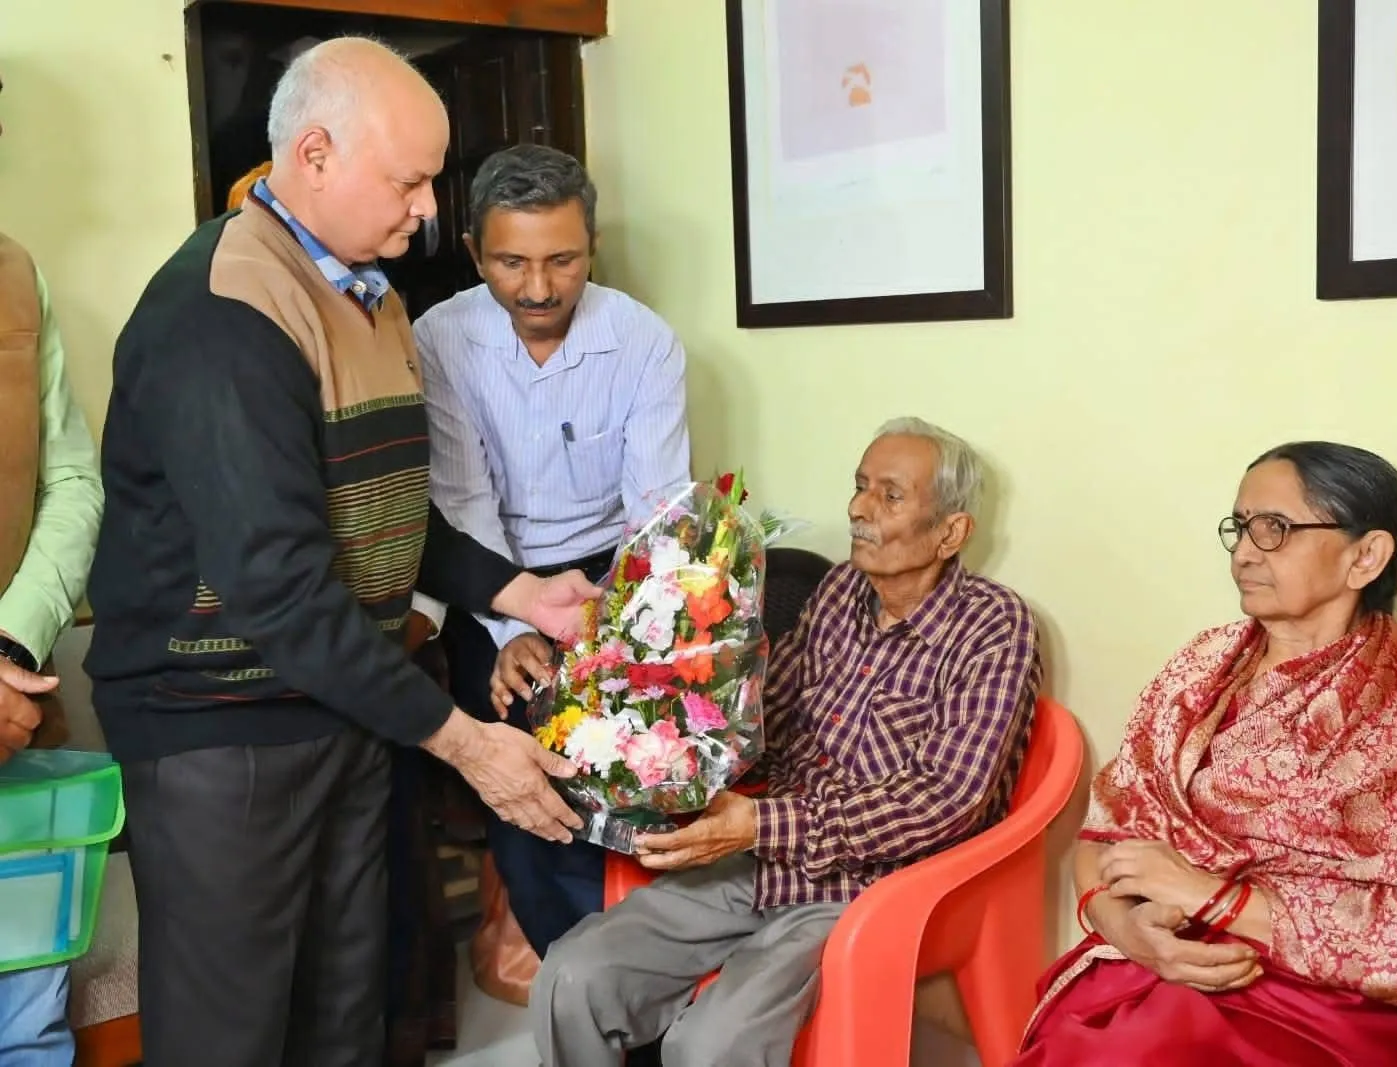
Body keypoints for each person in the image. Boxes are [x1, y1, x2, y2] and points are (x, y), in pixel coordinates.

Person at [83, 39, 600, 1067]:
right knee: (231, 1027)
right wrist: (461, 739)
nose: (425, 209)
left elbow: (386, 510)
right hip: (219, 728)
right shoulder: (222, 310)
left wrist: (518, 589)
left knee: (346, 1006)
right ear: (313, 153)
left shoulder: (370, 295)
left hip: (343, 705)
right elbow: (276, 584)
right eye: (407, 181)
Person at [527, 417, 1041, 1067]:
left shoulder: (995, 626)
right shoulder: (839, 592)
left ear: (951, 531)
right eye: (859, 486)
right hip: (764, 852)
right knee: (573, 976)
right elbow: (765, 718)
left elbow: (945, 798)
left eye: (889, 494)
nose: (858, 507)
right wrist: (652, 729)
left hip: (876, 886)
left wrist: (759, 824)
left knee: (709, 1044)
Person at [1014, 442, 1397, 1067]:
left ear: (1366, 556)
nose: (1245, 553)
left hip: (1331, 1004)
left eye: (1275, 529)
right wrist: (1124, 929)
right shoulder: (1203, 664)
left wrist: (1216, 899)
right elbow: (1107, 829)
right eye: (1240, 528)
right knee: (1093, 1038)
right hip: (1159, 958)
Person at [411, 143, 690, 955]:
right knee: (524, 790)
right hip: (485, 577)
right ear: (474, 253)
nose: (538, 288)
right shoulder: (441, 339)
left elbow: (656, 512)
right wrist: (513, 631)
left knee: (631, 776)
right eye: (511, 262)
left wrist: (612, 633)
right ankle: (567, 960)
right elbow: (463, 502)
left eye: (562, 260)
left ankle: (633, 973)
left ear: (593, 247)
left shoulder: (643, 342)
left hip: (614, 577)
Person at [0, 77, 106, 1063]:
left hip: (13, 715)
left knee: (30, 1032)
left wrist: (11, 640)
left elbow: (72, 478)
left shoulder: (12, 273)